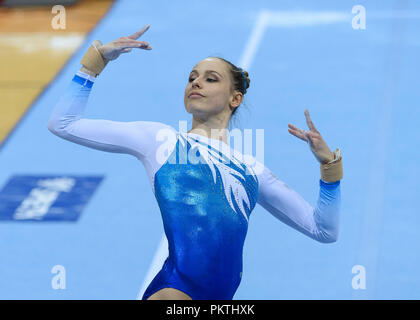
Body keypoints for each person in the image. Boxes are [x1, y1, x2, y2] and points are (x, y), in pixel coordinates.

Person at [47, 25, 343, 300]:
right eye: (192, 77)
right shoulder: (161, 140)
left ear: (235, 99)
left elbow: (324, 230)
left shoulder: (252, 170)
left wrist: (329, 168)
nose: (196, 82)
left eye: (210, 78)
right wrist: (96, 62)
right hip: (174, 289)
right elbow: (64, 124)